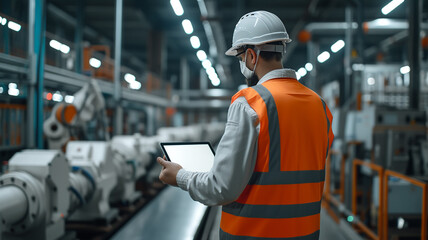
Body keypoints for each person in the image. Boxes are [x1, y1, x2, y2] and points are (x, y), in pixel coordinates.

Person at [157, 10, 334, 240]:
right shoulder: (319, 105)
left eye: (240, 58)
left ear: (251, 56)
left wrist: (180, 176)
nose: (243, 64)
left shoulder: (251, 103)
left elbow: (222, 188)